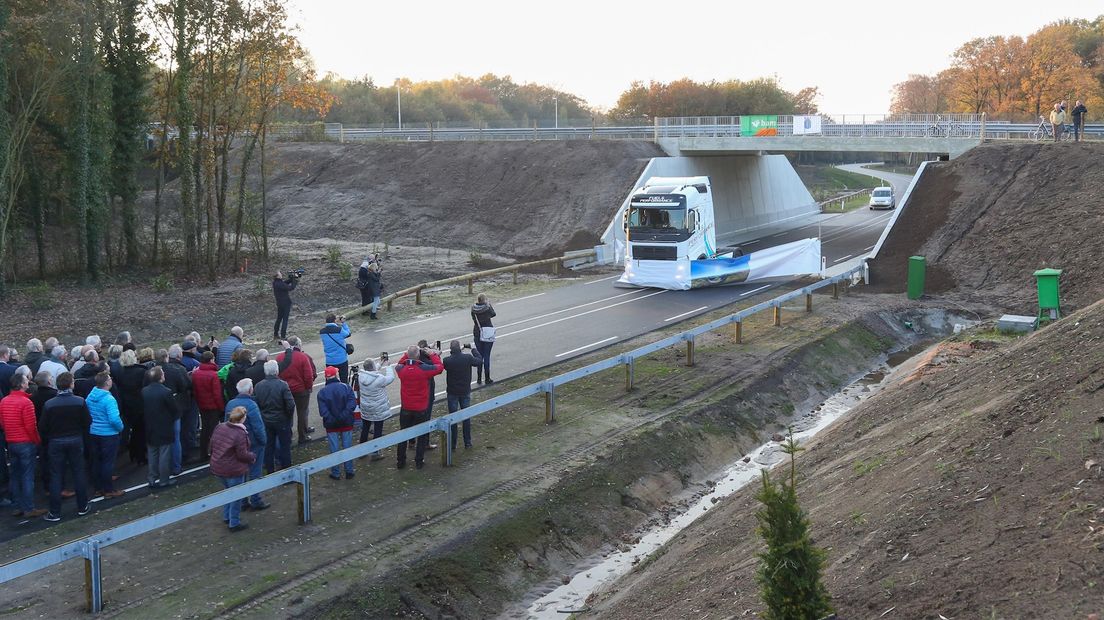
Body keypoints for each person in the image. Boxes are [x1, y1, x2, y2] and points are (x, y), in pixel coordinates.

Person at [39, 372, 91, 521]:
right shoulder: (80, 401)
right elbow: (87, 421)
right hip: (75, 439)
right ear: (71, 384)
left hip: (56, 441)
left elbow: (43, 426)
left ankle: (55, 512)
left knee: (56, 475)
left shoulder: (50, 404)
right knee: (78, 472)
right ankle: (82, 506)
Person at [1, 373, 46, 520]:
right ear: (21, 384)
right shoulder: (26, 402)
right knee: (27, 476)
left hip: (11, 442)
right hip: (25, 442)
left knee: (15, 475)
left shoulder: (4, 401)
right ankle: (29, 507)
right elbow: (31, 426)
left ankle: (16, 506)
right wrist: (36, 441)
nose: (28, 382)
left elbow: (3, 423)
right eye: (26, 381)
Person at [395, 345, 443, 470]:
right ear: (418, 356)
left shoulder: (401, 370)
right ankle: (419, 461)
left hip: (406, 407)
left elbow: (399, 363)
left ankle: (400, 461)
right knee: (421, 435)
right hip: (421, 408)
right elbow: (439, 368)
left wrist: (407, 354)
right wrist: (433, 354)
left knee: (403, 434)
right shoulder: (424, 369)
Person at [208, 406, 255, 532]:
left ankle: (226, 516)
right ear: (243, 418)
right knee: (236, 495)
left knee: (228, 491)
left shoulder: (220, 427)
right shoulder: (240, 433)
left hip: (218, 467)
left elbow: (212, 445)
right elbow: (242, 454)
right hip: (233, 470)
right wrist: (252, 457)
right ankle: (234, 522)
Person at [225, 378, 268, 511]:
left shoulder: (230, 404)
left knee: (241, 472)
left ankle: (243, 500)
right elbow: (258, 427)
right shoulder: (251, 405)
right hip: (253, 443)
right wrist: (263, 441)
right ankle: (256, 499)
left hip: (236, 444)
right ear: (250, 390)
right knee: (255, 471)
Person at [86, 372, 124, 498]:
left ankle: (98, 488)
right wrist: (120, 428)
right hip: (108, 434)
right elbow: (114, 419)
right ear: (107, 382)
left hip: (94, 432)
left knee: (97, 461)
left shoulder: (90, 396)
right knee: (108, 462)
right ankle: (108, 490)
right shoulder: (109, 399)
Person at [254, 360, 294, 474]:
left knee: (268, 447)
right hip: (281, 420)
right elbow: (290, 404)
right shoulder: (282, 385)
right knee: (285, 447)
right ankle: (287, 471)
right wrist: (287, 416)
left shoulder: (258, 386)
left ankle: (270, 471)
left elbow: (256, 403)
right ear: (276, 371)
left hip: (266, 420)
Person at [142, 366, 179, 488]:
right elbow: (174, 410)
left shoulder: (144, 391)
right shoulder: (166, 392)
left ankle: (152, 478)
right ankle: (164, 480)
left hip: (150, 426)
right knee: (164, 454)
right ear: (160, 377)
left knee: (152, 453)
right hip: (164, 427)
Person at [317, 366, 357, 479]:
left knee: (334, 449)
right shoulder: (346, 388)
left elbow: (323, 411)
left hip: (331, 425)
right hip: (346, 423)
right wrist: (342, 417)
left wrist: (333, 419)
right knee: (347, 447)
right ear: (336, 375)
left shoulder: (322, 392)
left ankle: (336, 472)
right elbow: (351, 405)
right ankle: (349, 470)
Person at [276, 336, 317, 444]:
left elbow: (278, 374)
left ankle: (288, 436)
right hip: (301, 390)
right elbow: (308, 376)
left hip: (286, 390)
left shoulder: (280, 357)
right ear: (298, 344)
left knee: (287, 414)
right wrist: (308, 388)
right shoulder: (303, 357)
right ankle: (302, 436)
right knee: (302, 412)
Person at [443, 340, 483, 450]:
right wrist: (473, 349)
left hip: (452, 392)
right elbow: (480, 361)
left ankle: (453, 443)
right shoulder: (467, 358)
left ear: (451, 349)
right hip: (465, 391)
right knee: (466, 417)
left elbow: (446, 365)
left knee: (453, 419)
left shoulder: (447, 361)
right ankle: (467, 442)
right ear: (460, 348)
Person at [162, 345, 194, 472]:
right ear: (179, 356)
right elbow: (186, 385)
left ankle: (164, 467)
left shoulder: (158, 369)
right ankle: (177, 465)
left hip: (163, 409)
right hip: (178, 407)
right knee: (177, 436)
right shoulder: (179, 369)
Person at [357, 358, 395, 461]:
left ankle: (361, 451)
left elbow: (371, 373)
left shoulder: (361, 376)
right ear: (373, 367)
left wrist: (379, 364)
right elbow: (391, 378)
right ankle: (375, 452)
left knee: (365, 428)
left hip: (366, 407)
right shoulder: (380, 379)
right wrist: (388, 366)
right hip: (378, 408)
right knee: (378, 430)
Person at [117, 349, 148, 464]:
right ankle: (140, 456)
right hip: (140, 405)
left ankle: (133, 452)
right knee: (141, 431)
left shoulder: (120, 373)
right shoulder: (141, 371)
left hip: (127, 406)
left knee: (134, 430)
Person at [192, 351, 225, 459]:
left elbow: (195, 391)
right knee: (214, 430)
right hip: (213, 407)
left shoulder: (196, 373)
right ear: (211, 360)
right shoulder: (213, 375)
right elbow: (217, 394)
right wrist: (221, 407)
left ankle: (203, 452)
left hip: (202, 405)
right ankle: (216, 452)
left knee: (205, 429)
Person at [471, 294, 497, 384]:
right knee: (486, 355)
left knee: (479, 355)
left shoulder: (473, 309)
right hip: (487, 332)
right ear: (484, 300)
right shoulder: (487, 308)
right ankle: (487, 378)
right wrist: (489, 304)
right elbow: (493, 314)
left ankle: (478, 378)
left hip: (477, 332)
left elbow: (473, 319)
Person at [319, 313, 352, 383]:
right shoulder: (339, 330)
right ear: (334, 320)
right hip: (342, 360)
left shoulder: (322, 332)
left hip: (330, 361)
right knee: (344, 381)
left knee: (330, 381)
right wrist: (343, 323)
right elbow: (348, 334)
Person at [273, 270, 299, 340]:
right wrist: (295, 279)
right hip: (285, 303)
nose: (281, 274)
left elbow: (285, 283)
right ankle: (283, 336)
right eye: (280, 273)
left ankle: (276, 334)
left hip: (279, 303)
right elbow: (291, 287)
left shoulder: (275, 282)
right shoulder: (280, 284)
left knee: (279, 319)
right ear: (278, 276)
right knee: (285, 320)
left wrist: (291, 279)